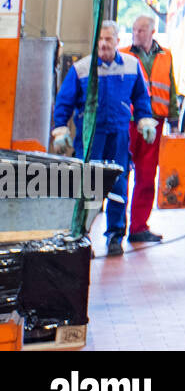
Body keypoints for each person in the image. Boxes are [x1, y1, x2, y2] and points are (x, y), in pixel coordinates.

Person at [51, 20, 156, 256]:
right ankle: (82, 236)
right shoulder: (82, 69)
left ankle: (115, 237)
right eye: (100, 39)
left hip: (118, 136)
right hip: (90, 139)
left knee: (118, 185)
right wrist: (60, 128)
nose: (103, 44)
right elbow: (64, 101)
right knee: (87, 186)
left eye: (108, 39)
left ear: (118, 41)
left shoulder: (131, 65)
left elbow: (140, 97)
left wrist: (145, 119)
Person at [125, 15, 179, 244]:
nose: (136, 34)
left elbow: (172, 87)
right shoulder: (124, 54)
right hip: (128, 122)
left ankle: (138, 228)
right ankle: (116, 229)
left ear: (152, 32)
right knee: (119, 175)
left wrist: (175, 118)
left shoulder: (166, 55)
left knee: (146, 177)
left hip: (155, 123)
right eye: (134, 30)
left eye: (141, 30)